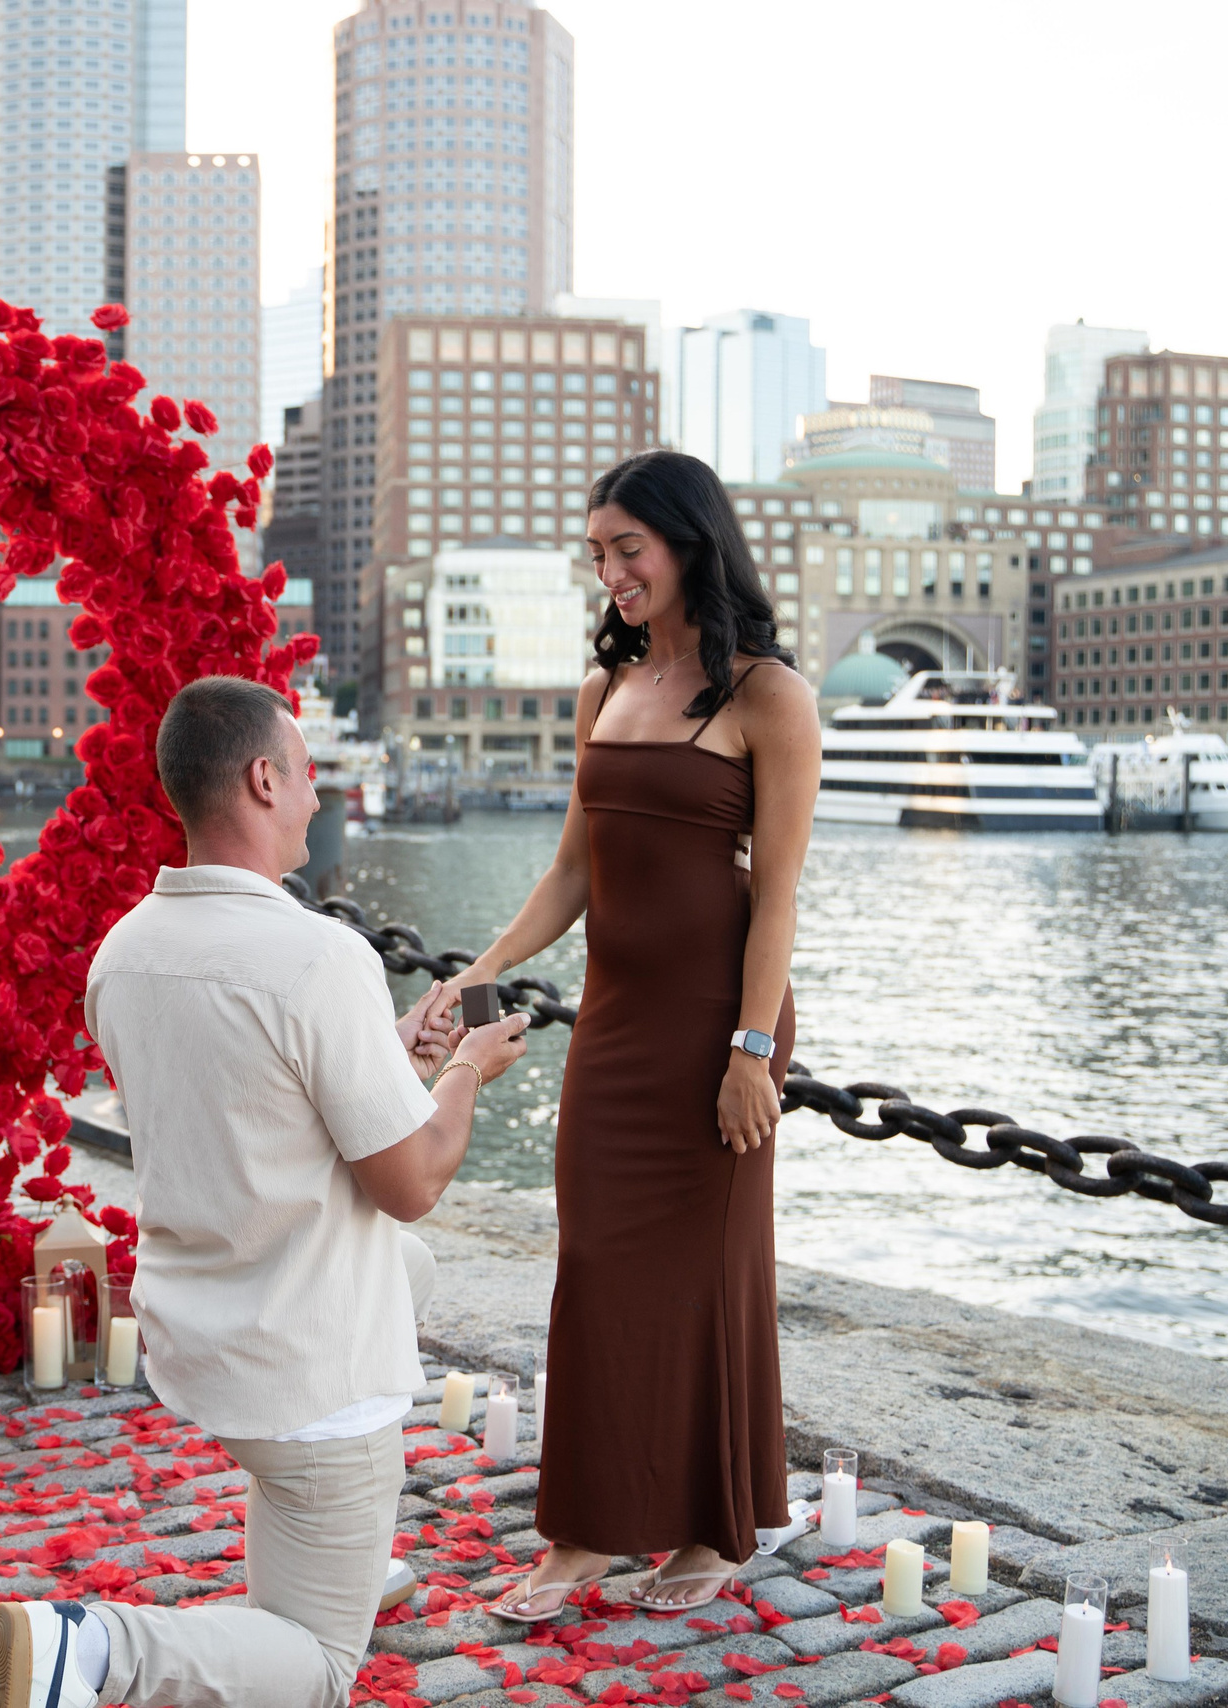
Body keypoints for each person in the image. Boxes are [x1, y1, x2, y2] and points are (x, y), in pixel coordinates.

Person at [0, 675, 534, 1708]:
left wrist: (390, 1054)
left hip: (202, 1331)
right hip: (308, 1368)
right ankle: (90, 1649)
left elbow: (262, 1111)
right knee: (318, 1665)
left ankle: (342, 1553)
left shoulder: (124, 951)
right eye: (311, 773)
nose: (320, 798)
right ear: (264, 776)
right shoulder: (317, 956)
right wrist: (465, 1071)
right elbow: (409, 1180)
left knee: (404, 1272)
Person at [445, 449, 822, 1620]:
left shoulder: (770, 697)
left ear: (689, 546)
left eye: (629, 549)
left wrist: (750, 1053)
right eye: (598, 551)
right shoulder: (602, 689)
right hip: (615, 1026)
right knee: (598, 1268)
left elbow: (779, 896)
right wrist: (490, 963)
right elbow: (573, 868)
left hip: (722, 1024)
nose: (609, 572)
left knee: (711, 1277)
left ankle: (711, 1526)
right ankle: (591, 1531)